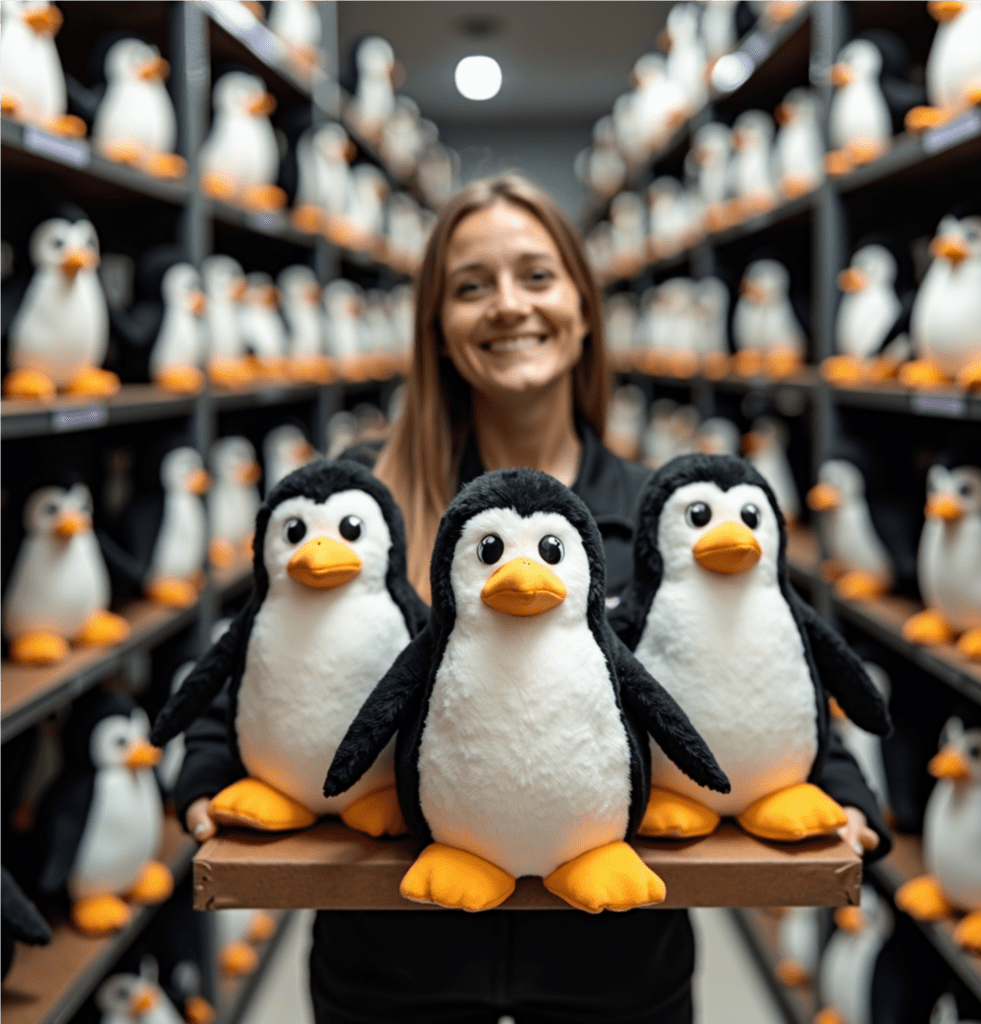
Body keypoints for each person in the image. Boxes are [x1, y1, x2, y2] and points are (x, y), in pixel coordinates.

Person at [177, 174, 888, 1024]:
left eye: (537, 277)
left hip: (618, 963)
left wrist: (843, 788)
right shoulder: (360, 502)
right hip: (391, 961)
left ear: (585, 309)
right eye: (471, 286)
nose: (509, 306)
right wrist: (209, 774)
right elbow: (253, 660)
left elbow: (774, 673)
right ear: (436, 328)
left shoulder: (659, 509)